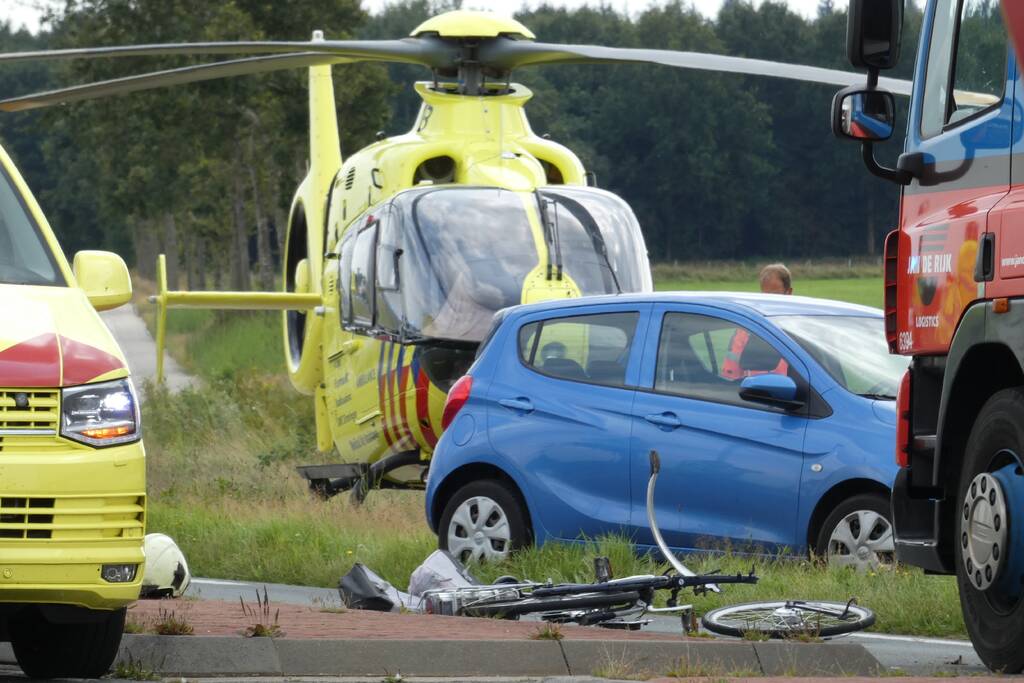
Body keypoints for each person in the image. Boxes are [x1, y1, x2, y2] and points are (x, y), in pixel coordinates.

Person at [720, 263, 792, 380]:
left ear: (789, 292)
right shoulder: (746, 329)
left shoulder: (799, 329)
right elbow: (730, 375)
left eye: (775, 296)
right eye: (765, 296)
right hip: (751, 395)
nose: (769, 301)